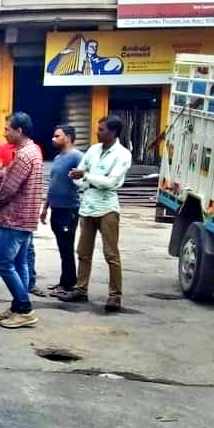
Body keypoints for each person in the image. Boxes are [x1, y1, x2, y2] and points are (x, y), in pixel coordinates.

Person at [58, 115, 132, 311]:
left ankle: (115, 295)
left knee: (111, 254)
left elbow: (111, 183)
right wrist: (85, 179)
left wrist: (87, 177)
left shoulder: (122, 154)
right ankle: (81, 289)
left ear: (113, 132)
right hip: (88, 206)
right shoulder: (93, 150)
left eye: (101, 129)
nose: (97, 132)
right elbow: (77, 175)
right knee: (83, 252)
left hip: (107, 208)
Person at [0, 112, 44, 329]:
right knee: (19, 263)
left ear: (19, 130)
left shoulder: (23, 156)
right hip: (25, 217)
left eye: (8, 129)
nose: (5, 133)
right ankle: (17, 306)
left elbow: (9, 189)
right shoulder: (33, 151)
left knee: (4, 264)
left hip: (14, 217)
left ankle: (25, 308)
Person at [41, 124, 83, 295]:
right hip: (56, 208)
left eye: (57, 136)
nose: (53, 139)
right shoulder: (58, 159)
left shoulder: (77, 157)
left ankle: (68, 283)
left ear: (67, 137)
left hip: (69, 209)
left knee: (67, 247)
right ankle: (64, 280)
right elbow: (53, 185)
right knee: (62, 247)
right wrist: (45, 208)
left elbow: (84, 177)